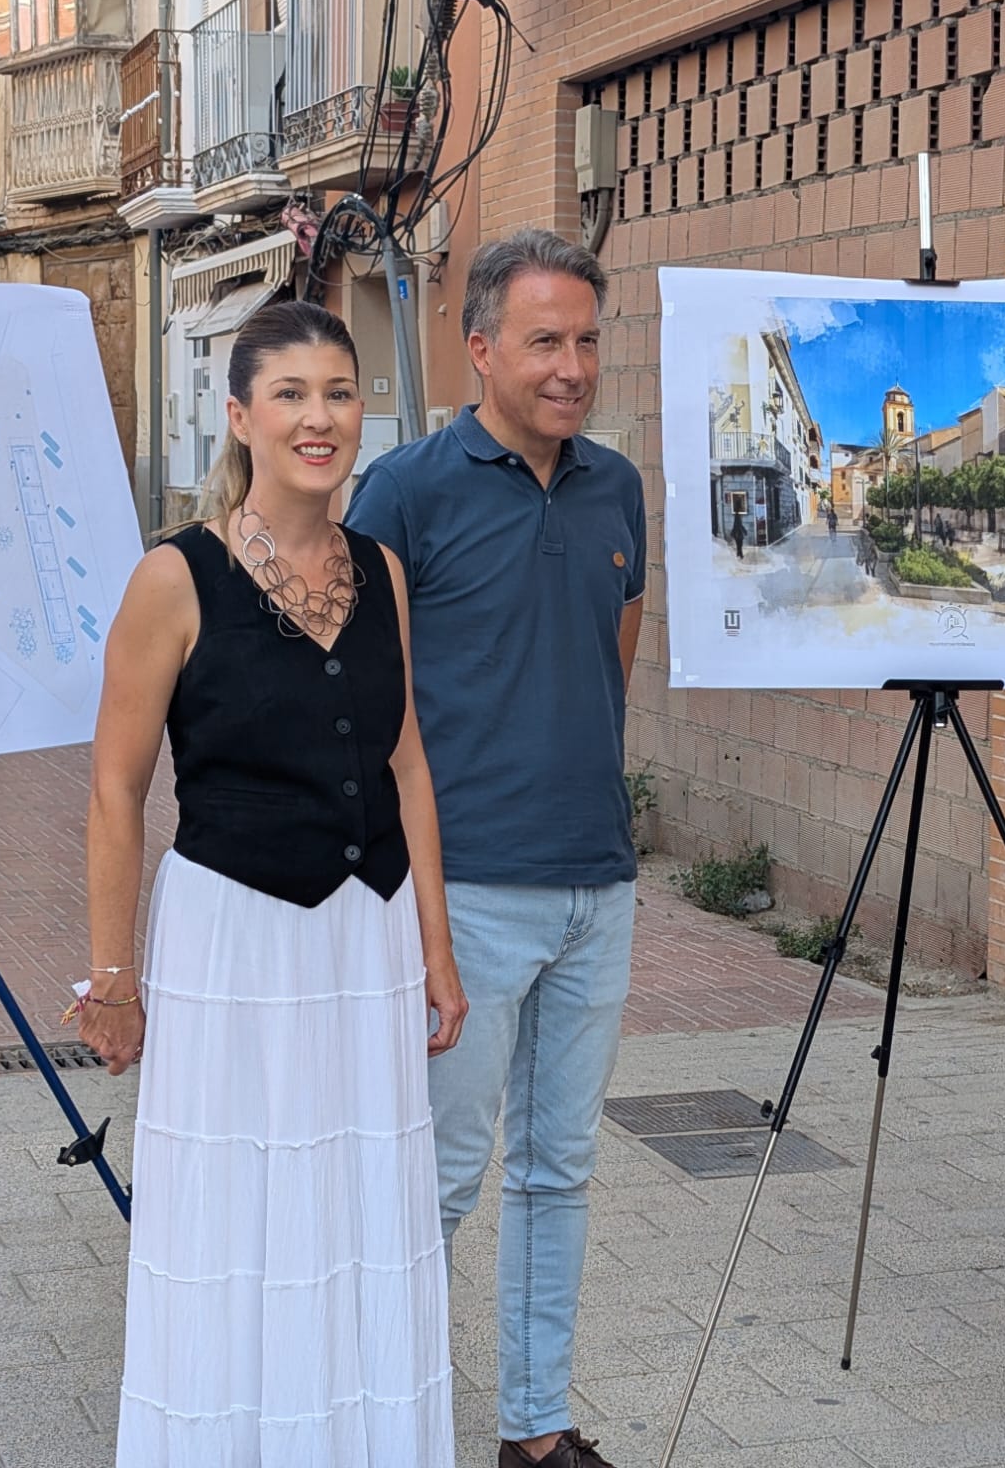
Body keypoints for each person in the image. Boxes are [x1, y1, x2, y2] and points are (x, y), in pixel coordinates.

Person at [82, 301, 466, 1465]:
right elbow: (113, 790)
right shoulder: (174, 575)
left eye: (340, 392)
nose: (319, 416)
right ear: (241, 416)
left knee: (358, 1202)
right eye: (290, 394)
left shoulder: (383, 570)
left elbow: (406, 764)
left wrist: (437, 953)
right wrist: (111, 977)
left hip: (368, 938)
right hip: (234, 938)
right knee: (238, 1211)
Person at [345, 229, 645, 1468]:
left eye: (584, 339)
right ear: (478, 348)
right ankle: (376, 1418)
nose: (570, 365)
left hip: (599, 888)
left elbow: (614, 657)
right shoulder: (405, 491)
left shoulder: (618, 484)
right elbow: (366, 695)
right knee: (439, 1179)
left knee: (559, 1174)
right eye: (544, 340)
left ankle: (535, 1428)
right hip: (461, 891)